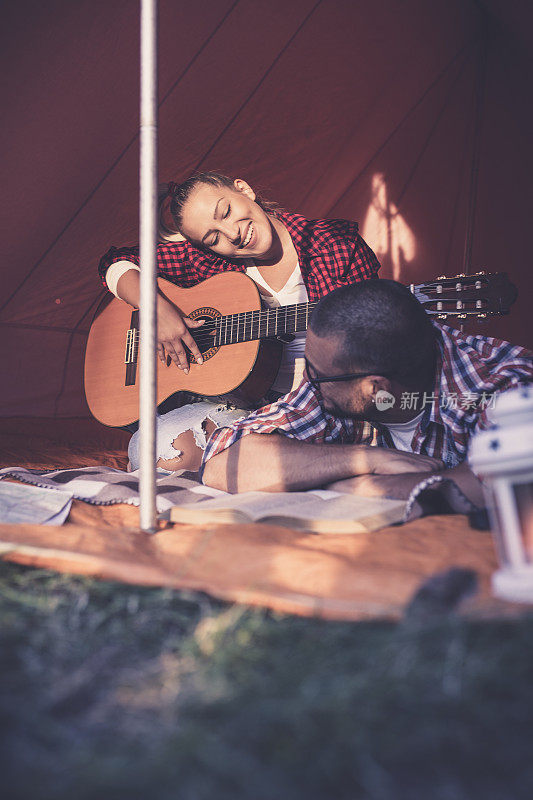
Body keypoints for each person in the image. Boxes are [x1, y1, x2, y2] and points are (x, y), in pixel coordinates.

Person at [98, 172, 381, 471]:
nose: (231, 234)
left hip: (323, 401)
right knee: (152, 448)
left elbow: (368, 353)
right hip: (248, 404)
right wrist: (156, 309)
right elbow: (115, 263)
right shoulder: (212, 262)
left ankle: (301, 461)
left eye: (226, 212)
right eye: (213, 238)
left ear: (244, 190)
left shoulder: (333, 244)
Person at [201, 280, 533, 513]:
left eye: (315, 375)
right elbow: (223, 462)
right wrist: (364, 460)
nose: (307, 380)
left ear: (375, 388)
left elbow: (511, 485)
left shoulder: (504, 384)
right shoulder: (336, 373)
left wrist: (364, 488)